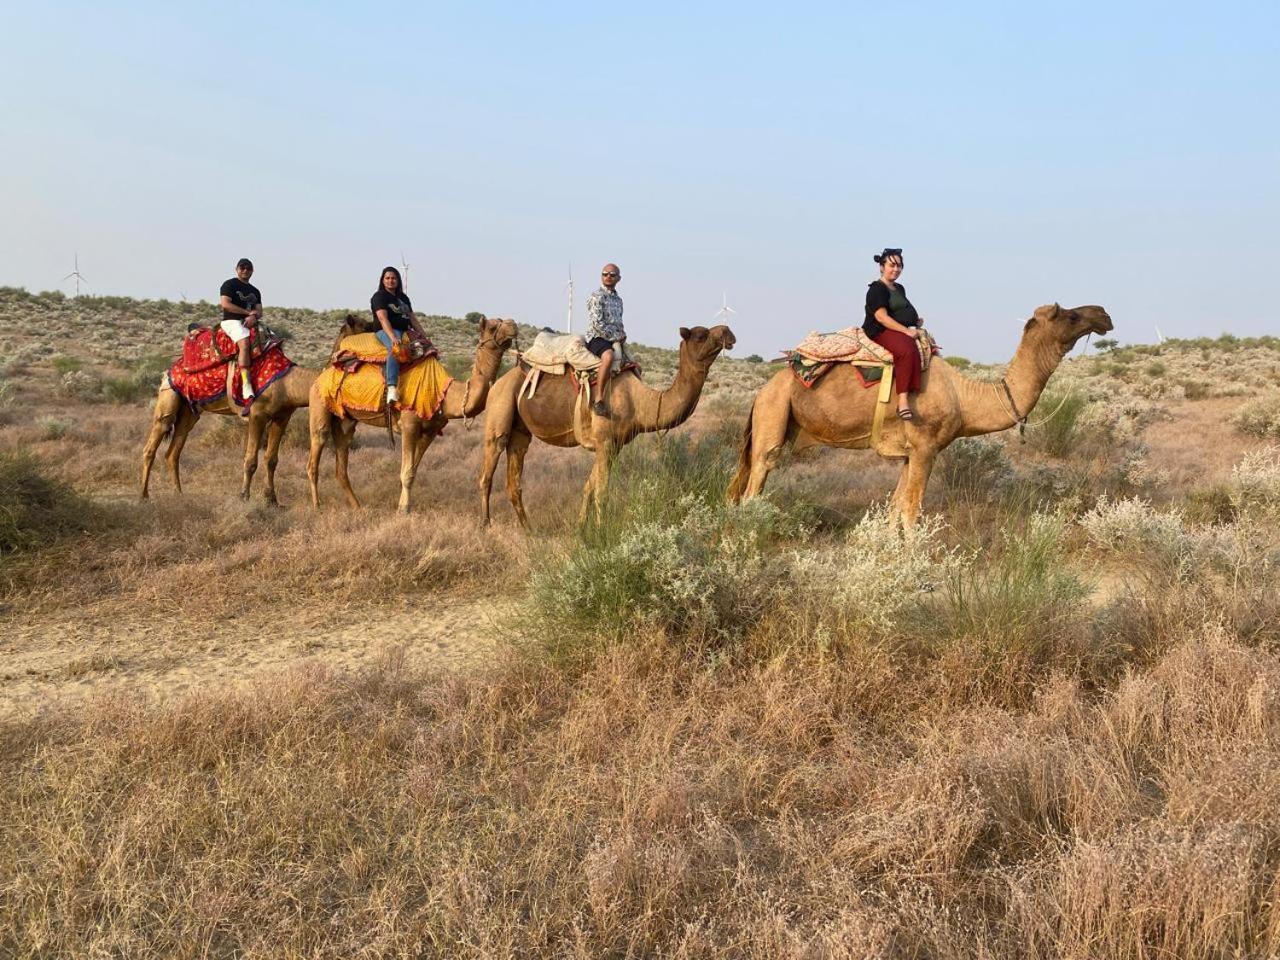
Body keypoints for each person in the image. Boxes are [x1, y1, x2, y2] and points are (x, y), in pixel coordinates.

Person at [863, 247, 925, 420]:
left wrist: (914, 321)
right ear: (882, 267)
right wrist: (906, 330)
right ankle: (903, 400)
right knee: (906, 349)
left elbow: (898, 309)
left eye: (899, 266)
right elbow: (881, 317)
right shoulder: (877, 289)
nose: (896, 269)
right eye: (892, 265)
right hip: (880, 330)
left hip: (895, 328)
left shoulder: (899, 288)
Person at [370, 266, 427, 404]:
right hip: (387, 330)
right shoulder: (379, 297)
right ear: (383, 280)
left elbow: (413, 319)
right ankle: (392, 387)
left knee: (425, 349)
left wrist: (424, 337)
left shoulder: (403, 298)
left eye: (393, 278)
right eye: (387, 278)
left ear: (398, 280)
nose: (391, 281)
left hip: (405, 330)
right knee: (395, 349)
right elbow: (383, 319)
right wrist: (393, 338)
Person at [219, 258, 263, 405]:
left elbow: (259, 311)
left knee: (271, 340)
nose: (245, 270)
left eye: (248, 268)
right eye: (242, 267)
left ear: (252, 270)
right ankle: (246, 385)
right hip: (232, 321)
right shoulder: (229, 284)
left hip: (249, 322)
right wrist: (247, 313)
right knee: (244, 343)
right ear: (237, 269)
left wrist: (254, 316)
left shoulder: (255, 291)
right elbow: (225, 304)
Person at [584, 262, 625, 416]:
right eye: (605, 274)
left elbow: (619, 321)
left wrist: (622, 335)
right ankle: (598, 399)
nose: (608, 276)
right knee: (608, 357)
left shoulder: (618, 300)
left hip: (615, 339)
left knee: (634, 366)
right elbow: (597, 324)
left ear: (618, 279)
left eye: (612, 274)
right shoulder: (596, 296)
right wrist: (616, 337)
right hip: (598, 337)